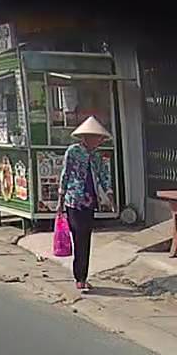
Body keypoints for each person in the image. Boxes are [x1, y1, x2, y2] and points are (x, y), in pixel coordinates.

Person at [58, 115, 113, 292]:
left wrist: (109, 194)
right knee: (79, 236)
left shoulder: (96, 156)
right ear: (87, 137)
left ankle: (82, 277)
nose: (99, 141)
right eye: (97, 138)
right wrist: (60, 200)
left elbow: (103, 176)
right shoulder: (73, 151)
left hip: (90, 201)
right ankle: (79, 276)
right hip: (74, 201)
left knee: (85, 238)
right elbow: (65, 174)